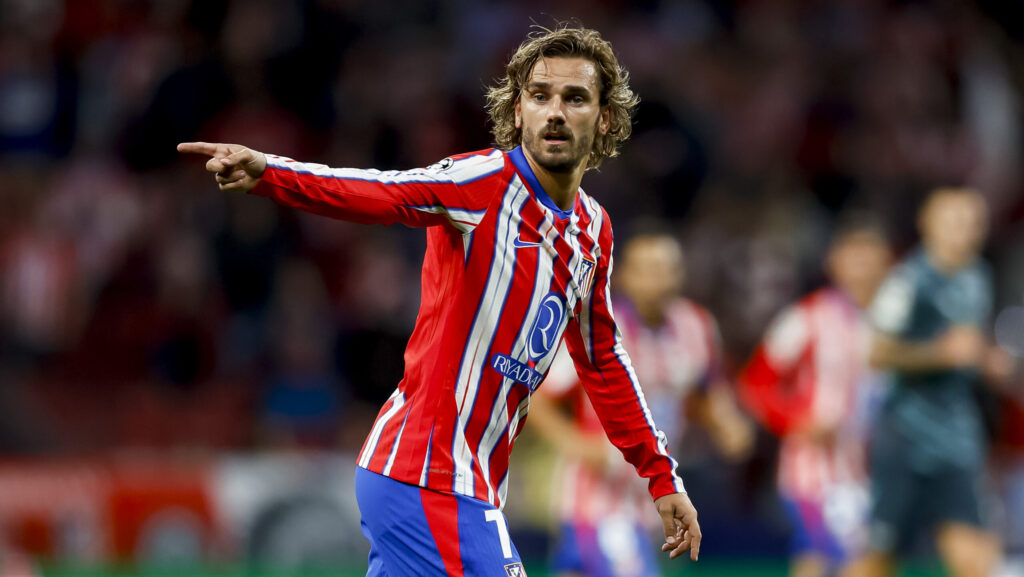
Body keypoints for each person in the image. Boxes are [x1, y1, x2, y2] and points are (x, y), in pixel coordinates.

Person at [178, 25, 701, 577]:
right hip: (425, 472)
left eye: (574, 98)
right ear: (517, 110)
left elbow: (602, 363)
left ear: (605, 120)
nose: (554, 111)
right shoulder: (481, 183)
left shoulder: (594, 231)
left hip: (467, 481)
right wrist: (270, 173)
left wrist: (659, 474)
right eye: (539, 95)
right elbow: (381, 192)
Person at [530, 230, 751, 577]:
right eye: (645, 269)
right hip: (597, 499)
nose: (656, 279)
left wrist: (726, 425)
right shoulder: (599, 328)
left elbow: (703, 392)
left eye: (664, 269)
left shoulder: (696, 326)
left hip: (653, 501)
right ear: (626, 275)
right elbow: (539, 397)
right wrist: (577, 445)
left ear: (680, 274)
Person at [842, 188, 1006, 577]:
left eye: (971, 222)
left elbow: (967, 347)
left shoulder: (978, 277)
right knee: (879, 559)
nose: (964, 232)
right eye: (953, 222)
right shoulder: (908, 281)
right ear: (927, 225)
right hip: (905, 438)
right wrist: (939, 354)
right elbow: (876, 353)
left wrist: (986, 359)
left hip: (957, 438)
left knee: (975, 559)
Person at [739, 217, 893, 577]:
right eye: (854, 255)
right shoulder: (807, 318)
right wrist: (796, 420)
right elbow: (753, 384)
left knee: (815, 561)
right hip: (817, 473)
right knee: (861, 564)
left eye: (871, 255)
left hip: (874, 473)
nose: (863, 265)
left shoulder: (895, 321)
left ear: (888, 261)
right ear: (833, 262)